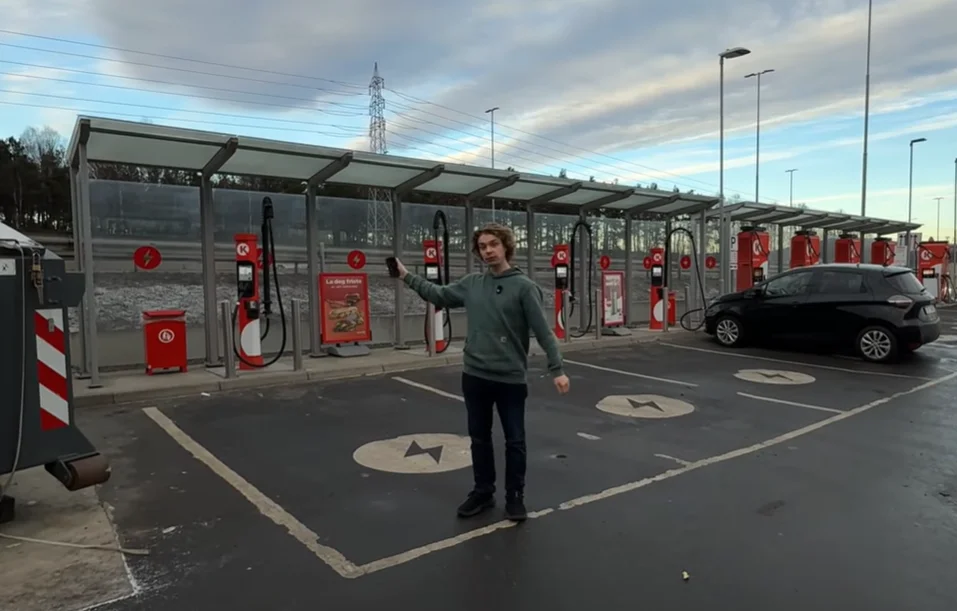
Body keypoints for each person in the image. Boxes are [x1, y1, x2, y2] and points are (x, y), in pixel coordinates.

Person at [394, 222, 570, 522]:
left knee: (515, 441)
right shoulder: (472, 284)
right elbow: (438, 294)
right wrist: (406, 276)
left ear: (506, 247)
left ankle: (515, 496)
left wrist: (558, 369)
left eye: (493, 244)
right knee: (479, 438)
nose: (488, 251)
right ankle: (483, 491)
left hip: (510, 378)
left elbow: (544, 332)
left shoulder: (525, 287)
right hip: (475, 375)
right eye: (482, 247)